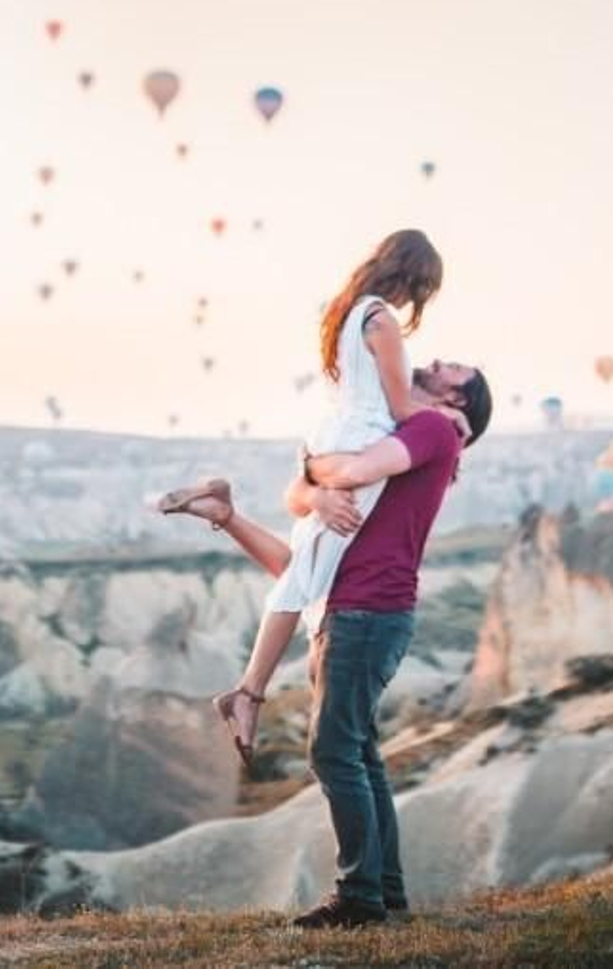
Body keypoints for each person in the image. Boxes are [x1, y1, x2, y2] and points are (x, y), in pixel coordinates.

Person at [160, 360, 492, 928]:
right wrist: (291, 497)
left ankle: (360, 897)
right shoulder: (407, 435)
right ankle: (384, 894)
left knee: (333, 752)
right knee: (359, 753)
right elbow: (300, 551)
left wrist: (313, 469)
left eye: (448, 369)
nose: (430, 362)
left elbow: (343, 472)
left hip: (368, 613)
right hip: (349, 611)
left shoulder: (432, 431)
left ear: (457, 404)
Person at [159, 230, 447, 765]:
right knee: (308, 578)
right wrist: (438, 429)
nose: (417, 302)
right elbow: (404, 410)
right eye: (423, 289)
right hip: (361, 442)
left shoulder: (345, 313)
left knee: (306, 568)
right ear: (414, 276)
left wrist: (314, 482)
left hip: (330, 435)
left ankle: (247, 688)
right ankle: (248, 694)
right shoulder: (382, 320)